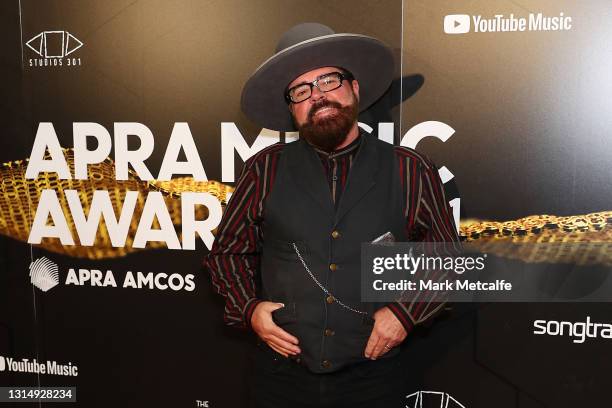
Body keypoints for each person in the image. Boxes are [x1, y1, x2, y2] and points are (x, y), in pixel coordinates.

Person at [204, 22, 459, 408]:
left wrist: (406, 314)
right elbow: (226, 254)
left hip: (373, 380)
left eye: (328, 81)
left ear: (355, 89)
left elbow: (448, 260)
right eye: (301, 91)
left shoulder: (411, 169)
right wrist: (249, 309)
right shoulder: (263, 169)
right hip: (280, 379)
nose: (318, 96)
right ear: (292, 109)